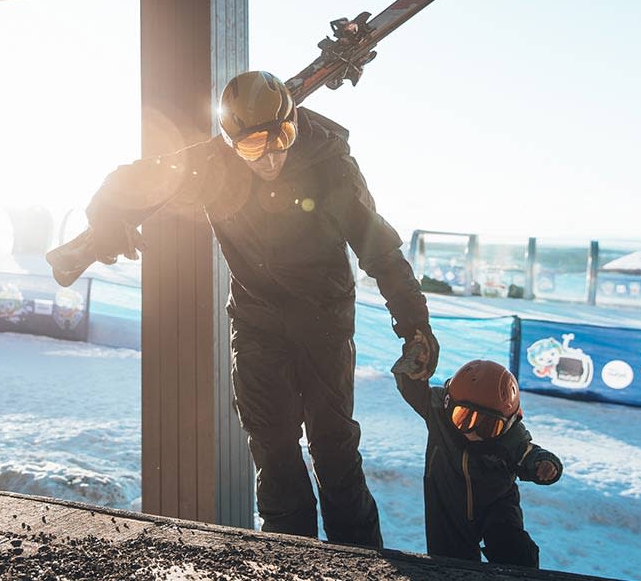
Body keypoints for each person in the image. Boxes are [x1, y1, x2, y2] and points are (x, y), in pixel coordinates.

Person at [84, 71, 439, 547]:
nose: (272, 156)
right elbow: (131, 180)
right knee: (272, 449)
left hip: (324, 324)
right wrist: (107, 218)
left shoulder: (331, 168)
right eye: (254, 148)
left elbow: (381, 251)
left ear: (294, 122)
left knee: (333, 450)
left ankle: (359, 560)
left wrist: (414, 323)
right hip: (256, 325)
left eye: (283, 137)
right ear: (231, 143)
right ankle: (289, 559)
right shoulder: (210, 167)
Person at [392, 348, 561, 566]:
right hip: (447, 507)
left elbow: (528, 453)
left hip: (496, 504)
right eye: (463, 417)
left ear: (508, 423)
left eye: (490, 426)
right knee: (449, 565)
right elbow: (410, 386)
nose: (472, 432)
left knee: (512, 549)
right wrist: (413, 362)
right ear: (447, 404)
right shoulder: (436, 410)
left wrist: (545, 464)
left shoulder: (510, 437)